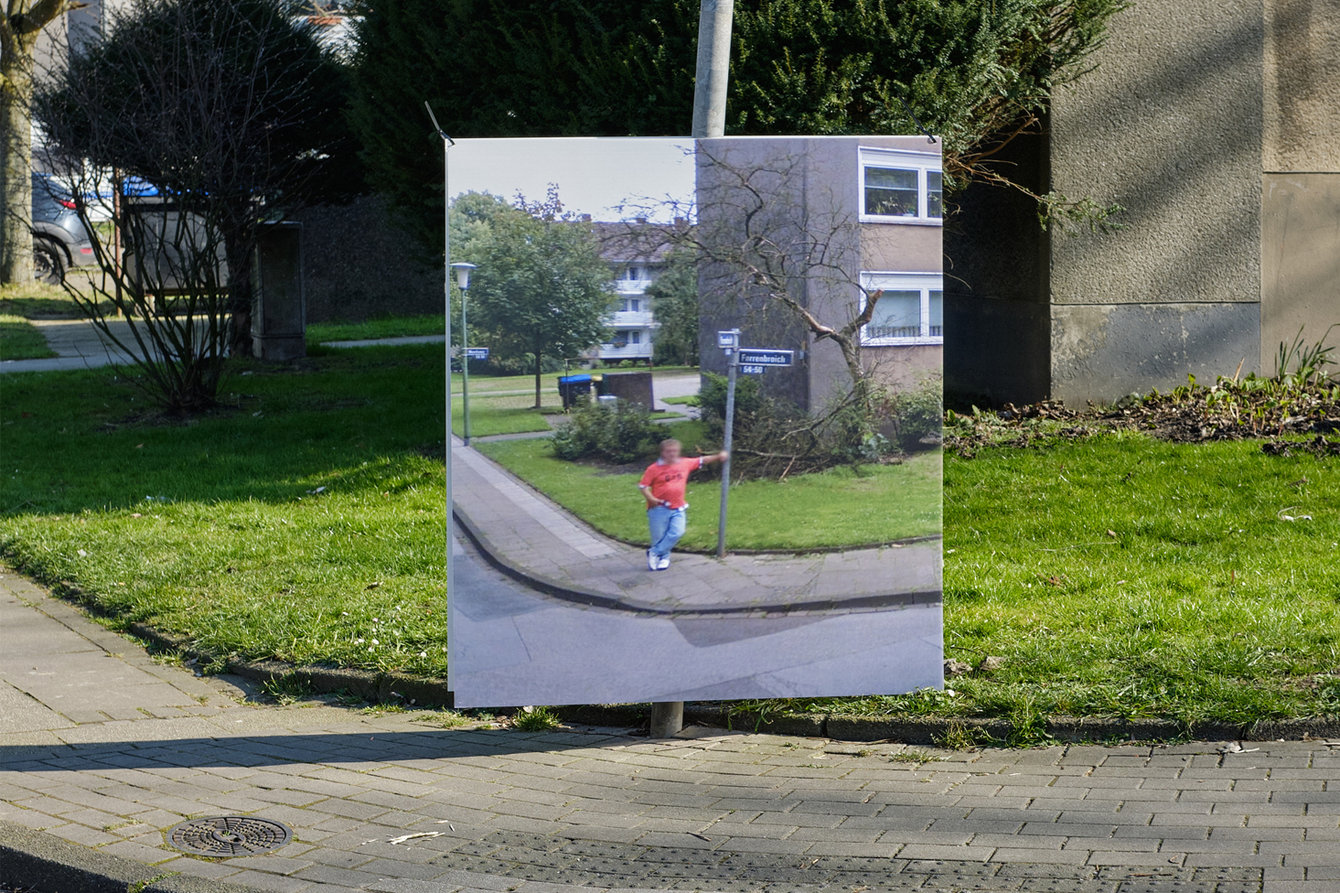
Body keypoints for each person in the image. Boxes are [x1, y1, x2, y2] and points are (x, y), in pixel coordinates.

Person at [637, 438, 728, 571]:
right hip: (659, 508)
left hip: (678, 507)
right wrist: (651, 498)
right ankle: (663, 558)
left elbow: (702, 460)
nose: (672, 454)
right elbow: (643, 486)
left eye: (674, 451)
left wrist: (719, 456)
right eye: (668, 451)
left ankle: (654, 552)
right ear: (663, 453)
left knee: (677, 532)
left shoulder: (684, 463)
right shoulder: (654, 469)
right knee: (659, 536)